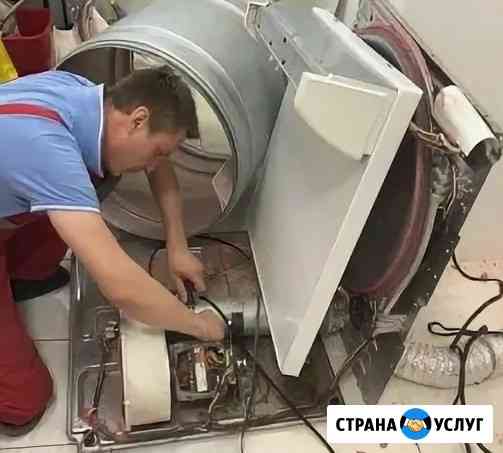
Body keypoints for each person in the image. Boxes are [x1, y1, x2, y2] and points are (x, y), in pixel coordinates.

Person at [0, 67, 226, 436]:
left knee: (93, 181)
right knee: (24, 402)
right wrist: (199, 326)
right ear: (138, 119)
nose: (153, 165)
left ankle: (19, 273)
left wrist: (177, 245)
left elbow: (159, 169)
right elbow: (121, 288)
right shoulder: (50, 152)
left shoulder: (87, 96)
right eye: (157, 151)